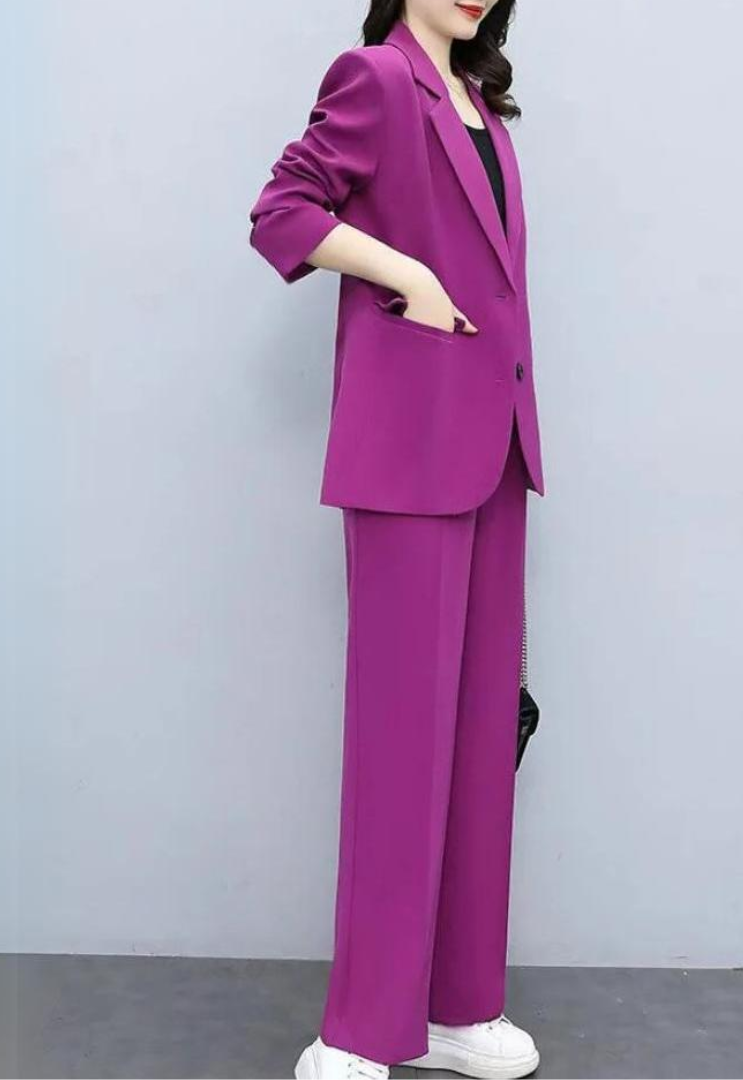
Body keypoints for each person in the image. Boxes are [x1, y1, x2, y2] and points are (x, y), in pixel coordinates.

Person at [248, 2, 545, 1077]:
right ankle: (362, 1030)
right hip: (410, 453)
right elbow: (283, 212)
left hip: (497, 449)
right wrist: (406, 275)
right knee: (400, 745)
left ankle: (460, 1009)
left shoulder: (481, 106)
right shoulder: (375, 77)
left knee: (480, 742)